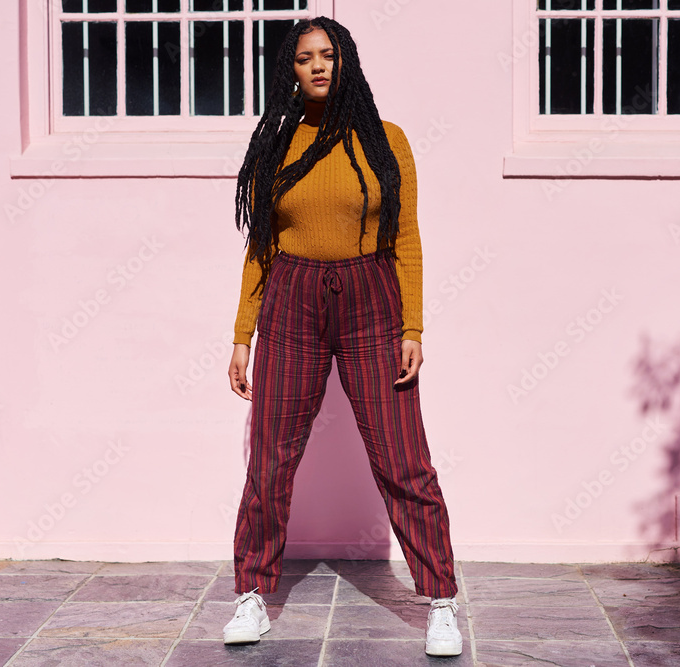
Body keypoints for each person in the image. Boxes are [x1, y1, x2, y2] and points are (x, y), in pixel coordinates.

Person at [223, 16, 461, 657]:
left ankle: (440, 601)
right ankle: (252, 595)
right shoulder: (276, 143)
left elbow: (405, 237)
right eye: (306, 58)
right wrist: (242, 334)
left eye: (329, 55)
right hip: (291, 302)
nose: (319, 66)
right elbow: (260, 250)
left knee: (403, 458)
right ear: (291, 70)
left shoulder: (386, 140)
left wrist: (412, 325)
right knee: (271, 461)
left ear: (346, 61)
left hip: (371, 302)